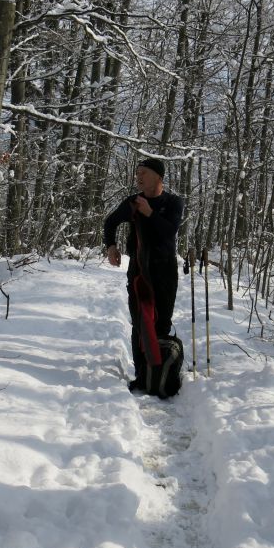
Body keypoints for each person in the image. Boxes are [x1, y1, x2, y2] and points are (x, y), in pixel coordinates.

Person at [103, 158, 184, 390]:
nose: (138, 177)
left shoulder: (173, 202)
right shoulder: (132, 202)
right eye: (137, 172)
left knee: (162, 321)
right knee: (140, 322)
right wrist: (111, 246)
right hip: (139, 270)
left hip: (165, 270)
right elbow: (110, 223)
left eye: (144, 173)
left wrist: (149, 213)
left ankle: (158, 375)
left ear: (159, 177)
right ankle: (142, 377)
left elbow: (169, 233)